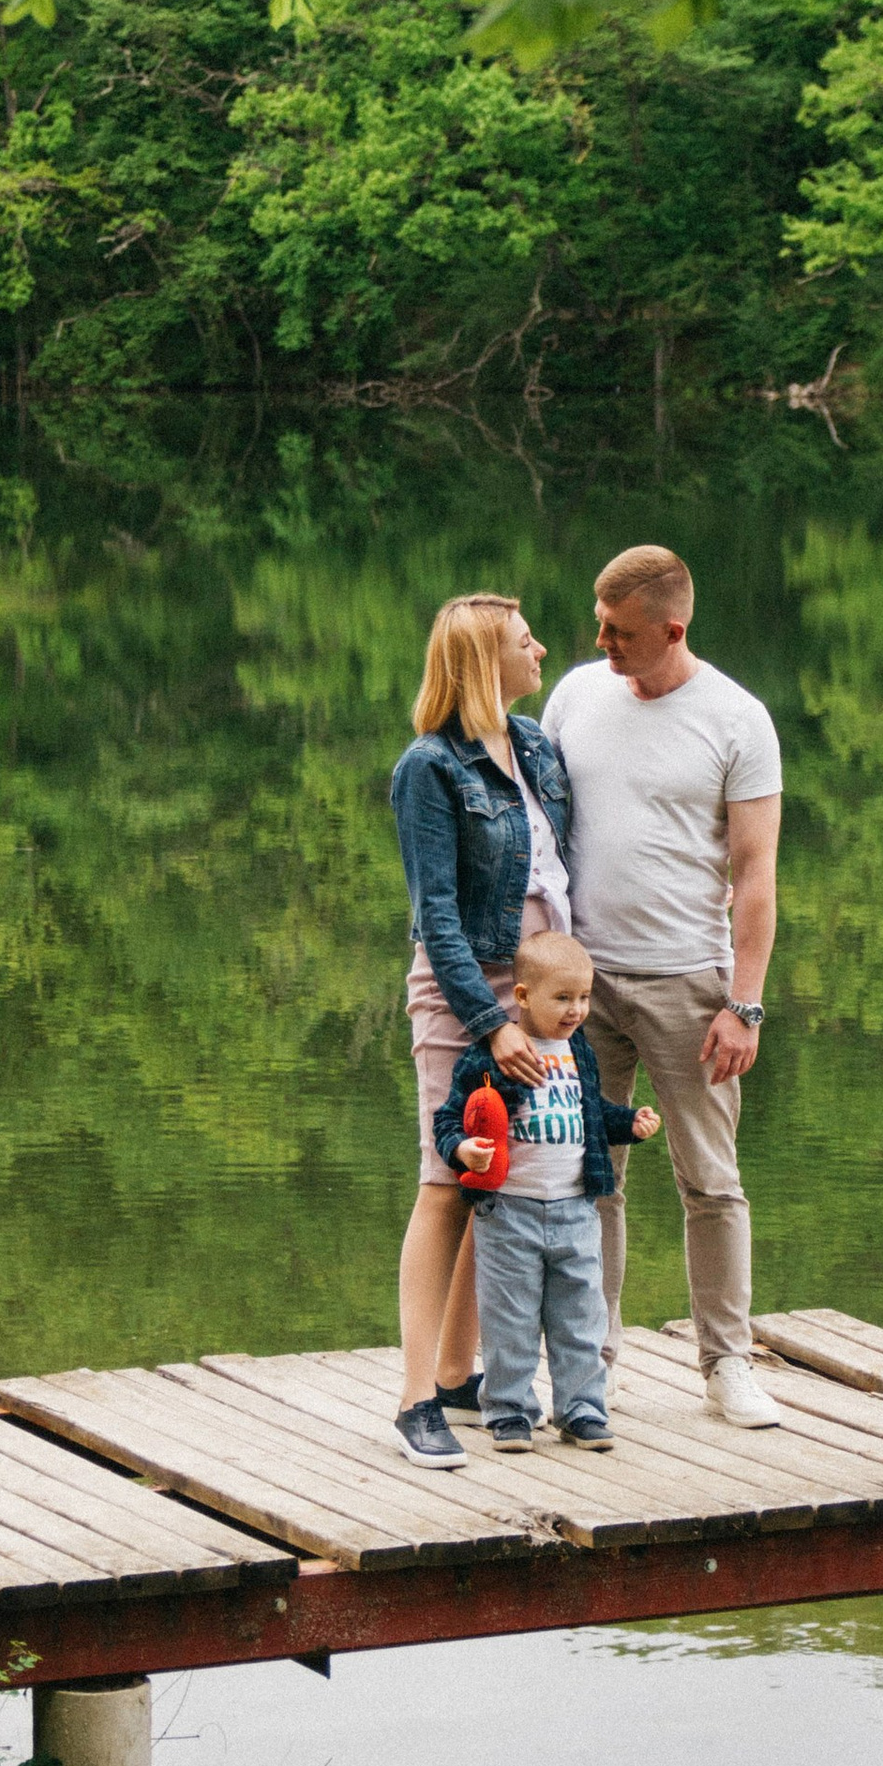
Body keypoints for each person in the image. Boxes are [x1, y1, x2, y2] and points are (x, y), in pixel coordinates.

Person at [542, 543, 785, 1427]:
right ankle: (592, 1362)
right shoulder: (575, 695)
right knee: (588, 1177)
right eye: (599, 624)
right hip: (578, 988)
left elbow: (755, 874)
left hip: (689, 983)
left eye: (619, 631)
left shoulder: (737, 719)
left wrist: (743, 1004)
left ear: (672, 630)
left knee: (710, 1182)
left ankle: (727, 1364)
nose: (601, 642)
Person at [387, 591, 576, 1469]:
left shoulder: (533, 746)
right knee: (446, 1178)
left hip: (539, 991)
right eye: (524, 641)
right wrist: (490, 1020)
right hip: (465, 991)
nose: (540, 650)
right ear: (481, 662)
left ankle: (459, 1374)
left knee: (493, 1182)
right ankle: (415, 1399)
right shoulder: (428, 768)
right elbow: (437, 915)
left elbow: (561, 869)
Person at [436, 928, 661, 1450]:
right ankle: (509, 1411)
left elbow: (592, 1113)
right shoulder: (488, 1056)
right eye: (562, 997)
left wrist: (630, 1123)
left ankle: (581, 1411)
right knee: (509, 1318)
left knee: (581, 1316)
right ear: (523, 996)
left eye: (584, 997)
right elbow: (448, 1120)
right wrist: (464, 1150)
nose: (576, 1009)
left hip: (575, 1209)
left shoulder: (578, 1051)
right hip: (507, 1211)